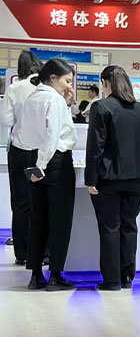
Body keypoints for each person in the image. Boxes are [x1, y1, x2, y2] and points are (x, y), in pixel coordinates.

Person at [85, 65, 140, 290]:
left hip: (109, 178)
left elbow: (95, 147)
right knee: (129, 226)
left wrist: (90, 179)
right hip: (137, 178)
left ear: (105, 82)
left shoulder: (101, 107)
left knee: (110, 228)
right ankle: (127, 277)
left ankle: (112, 280)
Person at [19, 58, 78, 291]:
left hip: (33, 158)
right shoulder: (53, 99)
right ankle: (55, 275)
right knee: (60, 219)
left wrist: (36, 164)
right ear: (53, 78)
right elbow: (53, 136)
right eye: (67, 80)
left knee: (38, 218)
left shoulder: (33, 97)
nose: (69, 86)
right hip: (54, 161)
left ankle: (35, 275)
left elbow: (26, 133)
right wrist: (43, 164)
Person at [3, 49, 42, 264]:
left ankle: (22, 252)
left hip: (18, 148)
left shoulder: (15, 88)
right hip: (41, 150)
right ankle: (41, 251)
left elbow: (6, 120)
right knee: (41, 201)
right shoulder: (45, 87)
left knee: (20, 202)